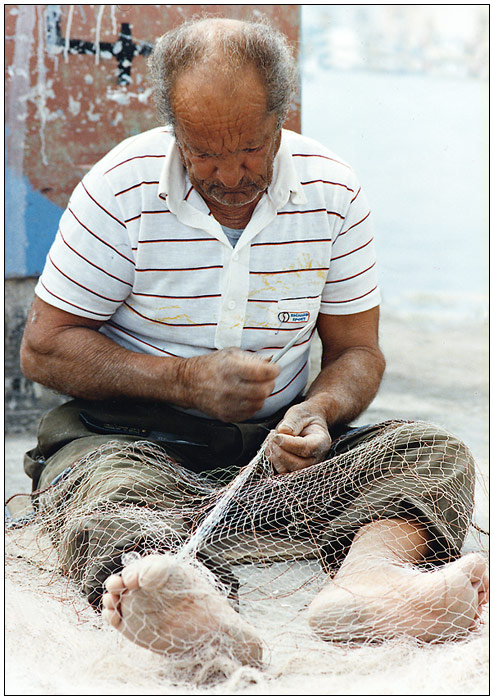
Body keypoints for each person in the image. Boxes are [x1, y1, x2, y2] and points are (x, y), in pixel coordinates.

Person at [19, 17, 488, 665]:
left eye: (250, 148)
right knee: (99, 491)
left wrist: (318, 413)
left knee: (432, 453)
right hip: (129, 440)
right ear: (172, 128)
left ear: (282, 118)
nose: (229, 175)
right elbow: (43, 349)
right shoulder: (120, 186)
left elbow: (358, 352)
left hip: (274, 458)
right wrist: (181, 381)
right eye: (204, 151)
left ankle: (372, 583)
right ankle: (187, 601)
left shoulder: (332, 190)